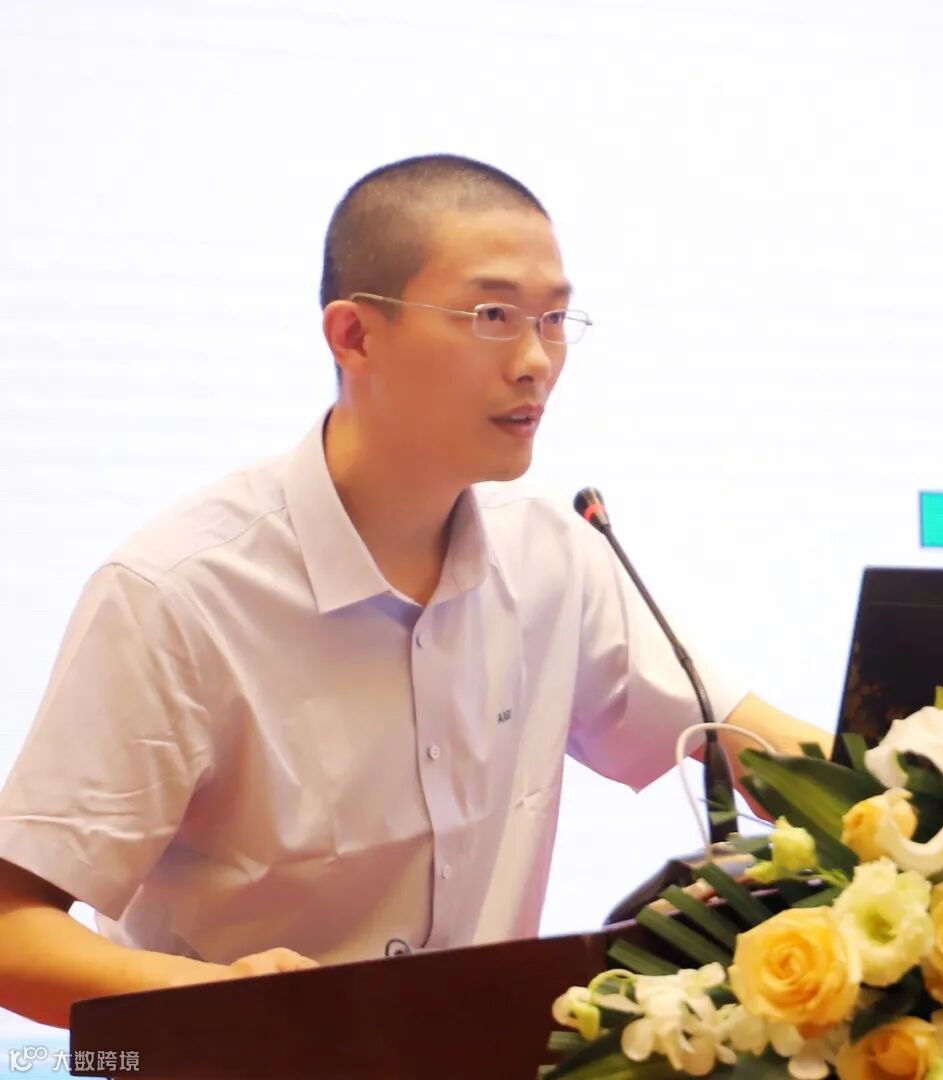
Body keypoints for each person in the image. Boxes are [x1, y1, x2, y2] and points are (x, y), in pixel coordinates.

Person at [0, 155, 828, 1029]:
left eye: (553, 319)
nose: (535, 362)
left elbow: (764, 752)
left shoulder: (554, 551)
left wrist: (913, 795)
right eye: (492, 316)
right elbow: (13, 933)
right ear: (354, 336)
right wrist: (222, 999)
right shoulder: (177, 595)